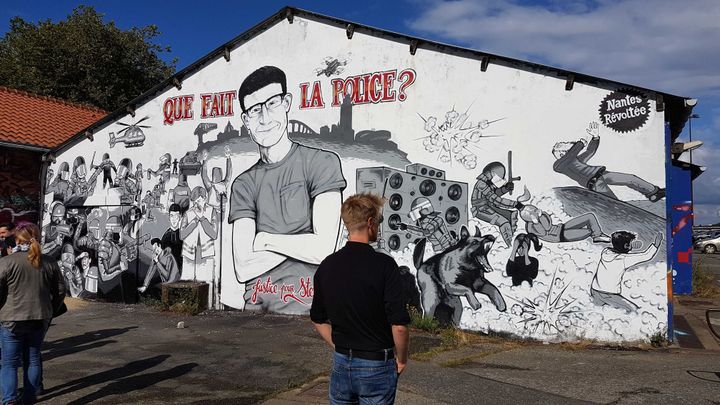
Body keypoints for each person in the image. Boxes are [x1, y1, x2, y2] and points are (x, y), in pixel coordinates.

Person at [229, 65, 346, 314]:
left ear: (286, 103)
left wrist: (264, 240)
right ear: (246, 120)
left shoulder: (322, 163)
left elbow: (324, 249)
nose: (264, 118)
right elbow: (242, 267)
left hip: (311, 312)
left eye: (272, 103)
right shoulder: (243, 184)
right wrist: (302, 243)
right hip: (255, 312)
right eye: (255, 109)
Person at [310, 193, 410, 404]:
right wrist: (401, 360)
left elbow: (318, 319)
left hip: (341, 363)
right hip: (376, 364)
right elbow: (399, 325)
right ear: (371, 222)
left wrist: (340, 345)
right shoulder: (385, 266)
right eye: (379, 221)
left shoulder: (327, 266)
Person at [0, 223, 66, 404]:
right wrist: (51, 308)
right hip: (40, 317)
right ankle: (29, 397)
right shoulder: (49, 261)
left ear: (17, 239)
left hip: (11, 319)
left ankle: (9, 400)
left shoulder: (6, 262)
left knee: (9, 363)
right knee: (33, 358)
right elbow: (61, 290)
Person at [552, 122, 665, 202]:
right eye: (562, 144)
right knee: (614, 202)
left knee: (631, 178)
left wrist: (595, 137)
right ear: (561, 153)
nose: (566, 142)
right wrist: (580, 143)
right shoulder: (559, 166)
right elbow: (570, 155)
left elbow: (590, 151)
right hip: (595, 183)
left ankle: (653, 192)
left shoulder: (576, 160)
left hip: (603, 174)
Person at [590, 231, 663, 312]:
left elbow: (616, 245)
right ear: (626, 246)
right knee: (634, 310)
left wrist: (628, 246)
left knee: (596, 310)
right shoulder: (624, 259)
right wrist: (656, 244)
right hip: (609, 294)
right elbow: (646, 256)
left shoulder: (605, 252)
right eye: (630, 244)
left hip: (594, 290)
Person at [471, 161, 523, 247]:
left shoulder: (488, 183)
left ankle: (513, 239)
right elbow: (495, 199)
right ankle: (510, 245)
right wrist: (515, 204)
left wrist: (505, 189)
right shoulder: (481, 184)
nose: (499, 180)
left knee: (511, 215)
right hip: (480, 209)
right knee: (504, 222)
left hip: (489, 206)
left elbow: (495, 194)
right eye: (498, 177)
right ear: (491, 173)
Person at [519, 204, 611, 244]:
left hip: (561, 227)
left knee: (590, 216)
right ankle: (596, 235)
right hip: (560, 236)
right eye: (533, 212)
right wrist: (536, 222)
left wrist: (542, 214)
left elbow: (549, 224)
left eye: (535, 209)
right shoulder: (530, 227)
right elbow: (545, 231)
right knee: (588, 231)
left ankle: (597, 235)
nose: (536, 212)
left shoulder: (540, 215)